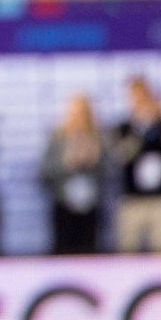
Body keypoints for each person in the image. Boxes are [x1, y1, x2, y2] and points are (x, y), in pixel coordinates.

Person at [112, 76, 161, 253]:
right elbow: (121, 156)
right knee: (127, 252)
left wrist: (156, 121)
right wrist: (140, 127)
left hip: (160, 200)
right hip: (132, 200)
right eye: (135, 96)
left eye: (143, 95)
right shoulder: (123, 128)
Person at [40, 93, 104, 254]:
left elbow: (110, 170)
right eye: (74, 112)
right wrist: (66, 163)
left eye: (82, 113)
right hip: (64, 205)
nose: (78, 117)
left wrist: (93, 161)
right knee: (63, 251)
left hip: (90, 207)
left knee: (88, 251)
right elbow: (44, 172)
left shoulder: (98, 137)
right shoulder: (58, 138)